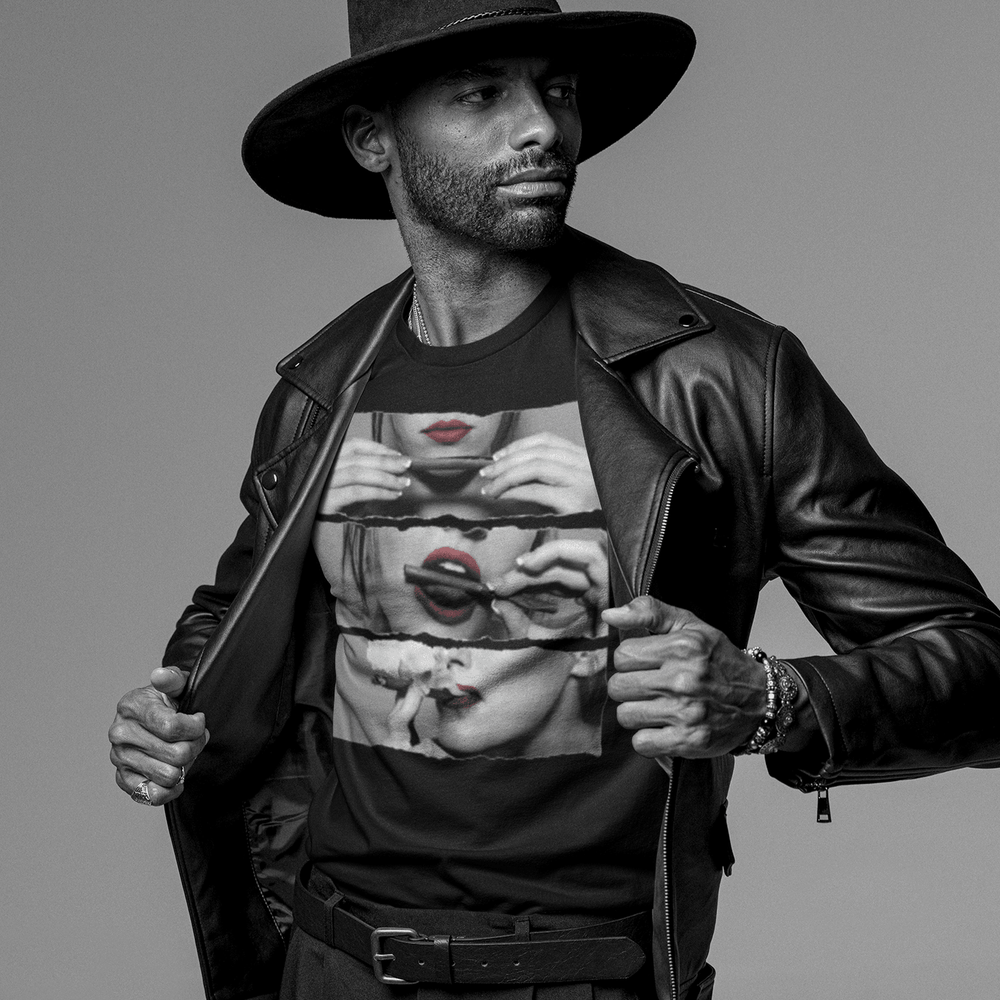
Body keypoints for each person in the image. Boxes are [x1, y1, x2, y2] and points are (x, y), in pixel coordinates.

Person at [107, 3, 1000, 999]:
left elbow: (981, 673)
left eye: (557, 89)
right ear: (371, 138)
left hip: (582, 977)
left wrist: (768, 700)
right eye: (483, 94)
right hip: (330, 964)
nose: (541, 126)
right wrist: (173, 706)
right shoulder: (321, 392)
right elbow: (237, 613)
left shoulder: (722, 378)